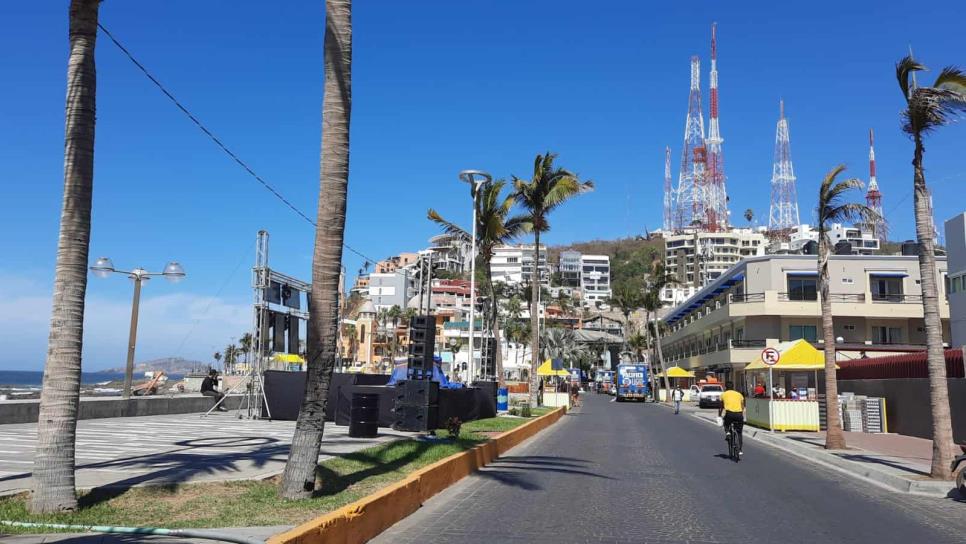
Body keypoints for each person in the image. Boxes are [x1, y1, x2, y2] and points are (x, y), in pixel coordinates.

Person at [718, 383, 745, 455]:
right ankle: (740, 450)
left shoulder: (723, 394)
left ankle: (728, 432)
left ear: (725, 387)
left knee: (726, 423)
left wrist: (719, 415)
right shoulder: (739, 394)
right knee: (739, 433)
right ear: (733, 387)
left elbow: (721, 406)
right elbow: (742, 406)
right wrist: (741, 414)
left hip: (729, 414)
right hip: (739, 415)